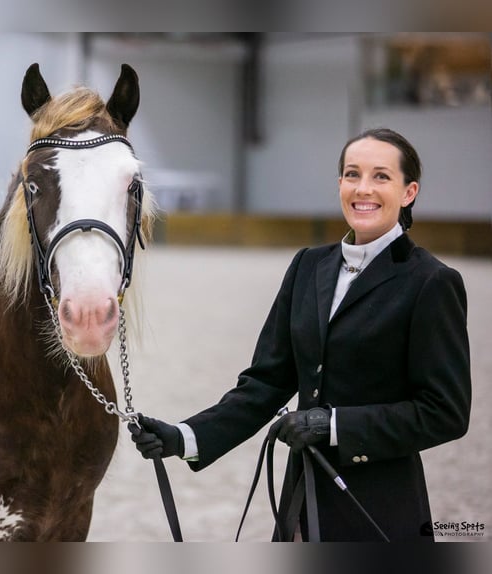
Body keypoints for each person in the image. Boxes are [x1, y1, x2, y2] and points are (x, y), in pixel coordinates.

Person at [131, 128, 471, 542]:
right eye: (352, 174)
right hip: (301, 506)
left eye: (381, 176)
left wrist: (333, 425)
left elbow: (445, 412)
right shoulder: (308, 266)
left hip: (379, 508)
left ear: (408, 192)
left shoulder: (431, 282)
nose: (363, 188)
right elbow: (266, 383)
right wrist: (184, 436)